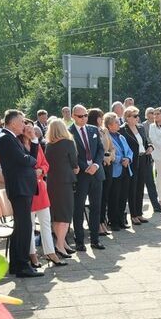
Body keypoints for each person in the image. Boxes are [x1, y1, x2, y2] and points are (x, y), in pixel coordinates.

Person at [0, 110, 42, 278]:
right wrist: (30, 160)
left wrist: (34, 141)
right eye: (22, 121)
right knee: (24, 227)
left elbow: (30, 157)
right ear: (13, 122)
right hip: (19, 188)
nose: (24, 124)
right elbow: (25, 160)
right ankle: (22, 265)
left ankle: (16, 264)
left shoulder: (12, 138)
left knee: (23, 227)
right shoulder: (5, 139)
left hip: (24, 187)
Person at [22, 122, 61, 267]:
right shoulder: (20, 146)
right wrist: (34, 172)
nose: (30, 131)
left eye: (31, 129)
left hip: (41, 188)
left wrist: (42, 171)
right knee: (30, 225)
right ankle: (32, 254)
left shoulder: (36, 145)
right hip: (28, 190)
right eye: (27, 129)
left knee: (45, 222)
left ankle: (50, 252)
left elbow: (45, 164)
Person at [69, 104, 105, 252]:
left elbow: (101, 149)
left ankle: (95, 239)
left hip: (96, 173)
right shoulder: (68, 132)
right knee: (78, 208)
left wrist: (96, 165)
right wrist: (85, 167)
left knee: (96, 208)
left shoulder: (93, 129)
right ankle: (79, 241)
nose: (83, 118)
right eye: (80, 116)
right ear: (73, 116)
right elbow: (72, 155)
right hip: (82, 175)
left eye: (85, 116)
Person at [45, 118, 78, 259]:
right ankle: (59, 244)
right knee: (65, 215)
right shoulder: (69, 143)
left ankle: (62, 243)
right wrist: (76, 169)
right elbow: (74, 163)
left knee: (57, 214)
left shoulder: (48, 145)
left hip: (52, 182)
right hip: (65, 182)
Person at [123, 107, 155, 225]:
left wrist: (150, 147)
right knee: (133, 188)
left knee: (141, 187)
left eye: (137, 115)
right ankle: (133, 215)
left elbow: (147, 140)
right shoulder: (123, 130)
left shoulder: (141, 127)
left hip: (143, 159)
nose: (137, 118)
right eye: (134, 116)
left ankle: (139, 213)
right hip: (132, 161)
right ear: (127, 118)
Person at [104, 113, 133, 231]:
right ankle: (113, 221)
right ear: (109, 125)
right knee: (114, 197)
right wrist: (120, 159)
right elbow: (109, 153)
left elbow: (130, 151)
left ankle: (122, 220)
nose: (118, 124)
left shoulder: (121, 137)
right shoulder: (107, 137)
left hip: (126, 169)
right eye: (116, 122)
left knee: (123, 196)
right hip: (115, 170)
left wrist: (128, 159)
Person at [89, 108, 115, 237]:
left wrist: (110, 157)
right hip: (99, 165)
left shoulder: (104, 130)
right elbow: (93, 150)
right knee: (99, 196)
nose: (101, 119)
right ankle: (98, 223)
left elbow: (111, 147)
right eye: (100, 117)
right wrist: (102, 159)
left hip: (108, 164)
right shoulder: (90, 130)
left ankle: (103, 221)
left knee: (106, 195)